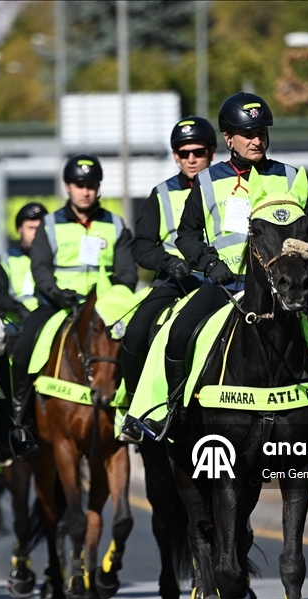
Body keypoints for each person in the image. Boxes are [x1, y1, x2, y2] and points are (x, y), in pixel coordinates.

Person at [139, 92, 308, 441]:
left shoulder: (289, 177)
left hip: (282, 286)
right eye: (248, 134)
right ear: (229, 139)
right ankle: (174, 414)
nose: (257, 140)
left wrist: (302, 252)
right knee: (178, 335)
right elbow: (187, 234)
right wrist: (209, 264)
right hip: (225, 285)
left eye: (261, 132)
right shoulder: (207, 181)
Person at [7, 155, 137, 460]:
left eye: (91, 185)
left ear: (98, 187)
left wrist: (112, 300)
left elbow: (127, 274)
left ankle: (136, 414)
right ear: (68, 187)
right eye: (79, 185)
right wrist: (56, 293)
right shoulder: (51, 224)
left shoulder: (115, 224)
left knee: (137, 342)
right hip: (59, 305)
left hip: (104, 310)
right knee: (25, 344)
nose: (85, 191)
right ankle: (18, 422)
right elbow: (40, 267)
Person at [117, 116, 217, 443]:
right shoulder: (161, 195)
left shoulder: (228, 186)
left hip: (223, 281)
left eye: (198, 152)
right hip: (177, 282)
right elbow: (141, 245)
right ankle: (136, 412)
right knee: (135, 332)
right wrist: (168, 262)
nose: (191, 159)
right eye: (184, 153)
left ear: (212, 152)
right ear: (175, 156)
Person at [0, 202, 47, 464]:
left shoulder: (53, 256)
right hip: (15, 330)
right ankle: (8, 425)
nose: (36, 231)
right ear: (19, 230)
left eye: (40, 227)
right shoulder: (5, 259)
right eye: (31, 227)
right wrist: (19, 309)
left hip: (49, 324)